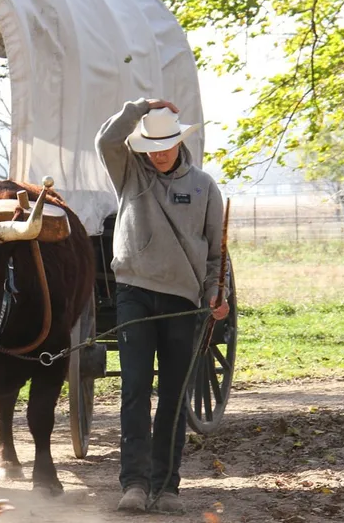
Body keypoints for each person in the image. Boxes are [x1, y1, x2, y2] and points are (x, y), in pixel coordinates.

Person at [95, 98, 228, 515]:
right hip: (134, 292)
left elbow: (215, 255)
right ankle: (133, 484)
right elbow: (105, 140)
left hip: (182, 301)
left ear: (179, 141)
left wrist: (214, 294)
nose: (160, 151)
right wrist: (137, 107)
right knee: (134, 391)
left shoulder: (205, 187)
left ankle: (166, 486)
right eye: (152, 144)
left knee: (172, 394)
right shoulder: (129, 173)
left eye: (167, 142)